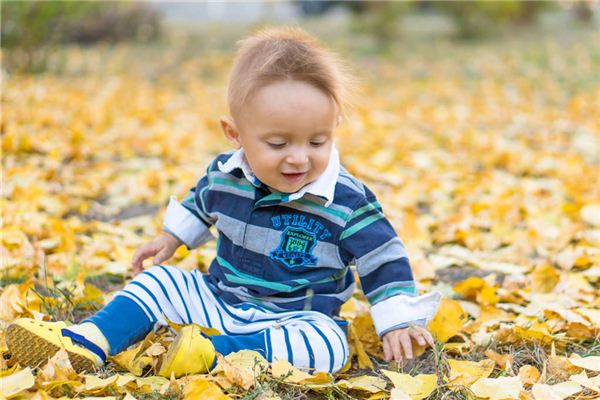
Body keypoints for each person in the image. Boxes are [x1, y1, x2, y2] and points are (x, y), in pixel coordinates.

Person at [7, 26, 441, 377]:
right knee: (158, 282)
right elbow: (201, 201)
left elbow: (384, 258)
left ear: (334, 126)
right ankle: (90, 339)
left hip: (292, 320)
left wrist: (396, 318)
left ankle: (212, 354)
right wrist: (172, 238)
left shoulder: (347, 201)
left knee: (328, 346)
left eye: (317, 140)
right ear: (235, 135)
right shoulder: (226, 174)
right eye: (277, 143)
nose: (298, 157)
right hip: (219, 298)